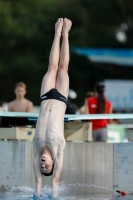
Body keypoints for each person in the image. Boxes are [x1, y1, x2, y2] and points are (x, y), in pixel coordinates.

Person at [33, 18, 72, 198]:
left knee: (52, 66)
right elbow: (53, 181)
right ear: (53, 163)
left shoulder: (36, 147)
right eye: (46, 166)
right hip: (61, 98)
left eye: (42, 167)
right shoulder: (58, 149)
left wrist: (37, 193)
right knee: (63, 67)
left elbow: (38, 180)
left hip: (46, 96)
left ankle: (57, 33)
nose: (42, 164)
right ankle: (66, 34)